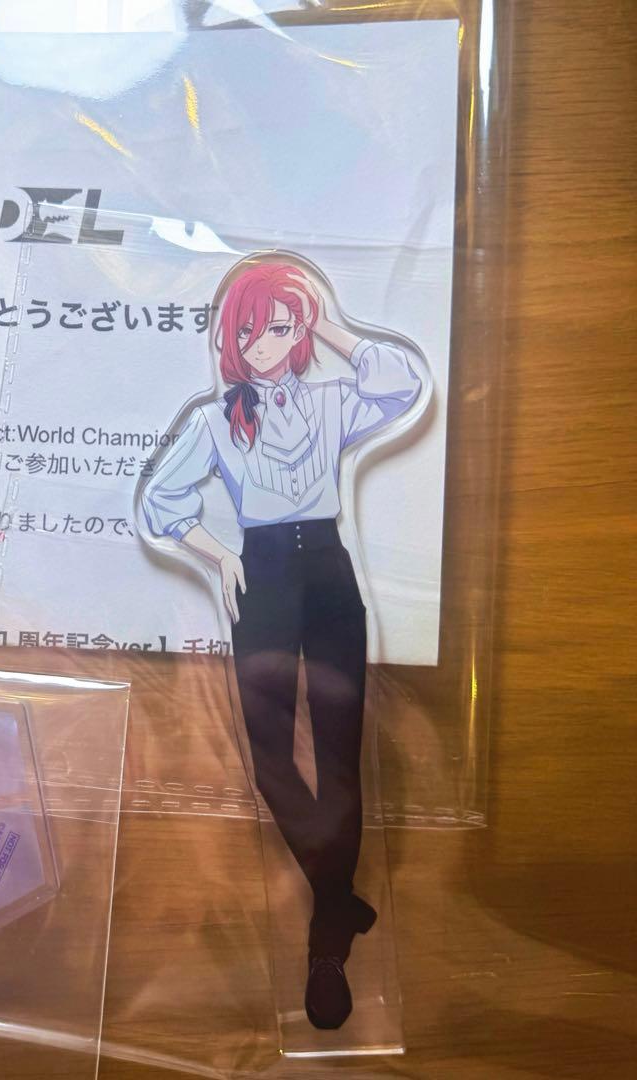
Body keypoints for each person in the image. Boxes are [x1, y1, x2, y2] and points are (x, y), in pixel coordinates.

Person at [140, 257, 423, 1029]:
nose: (264, 343)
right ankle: (336, 899)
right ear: (231, 337)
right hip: (258, 574)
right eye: (251, 330)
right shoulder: (215, 419)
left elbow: (402, 387)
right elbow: (162, 500)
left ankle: (326, 949)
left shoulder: (332, 402)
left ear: (300, 332)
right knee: (270, 758)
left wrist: (329, 323)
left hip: (329, 571)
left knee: (339, 755)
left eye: (280, 327)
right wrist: (217, 553)